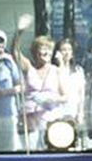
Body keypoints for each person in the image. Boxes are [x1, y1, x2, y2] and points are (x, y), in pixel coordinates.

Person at [12, 21, 66, 151]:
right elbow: (15, 51)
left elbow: (65, 96)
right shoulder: (29, 67)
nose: (45, 54)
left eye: (49, 51)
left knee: (50, 151)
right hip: (30, 118)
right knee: (30, 149)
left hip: (51, 118)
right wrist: (19, 32)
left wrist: (52, 99)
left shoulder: (56, 70)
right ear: (35, 52)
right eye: (42, 50)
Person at [54, 38, 86, 129]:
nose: (67, 52)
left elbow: (81, 93)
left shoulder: (78, 70)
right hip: (58, 112)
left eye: (69, 49)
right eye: (63, 50)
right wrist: (60, 63)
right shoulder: (54, 70)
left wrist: (80, 112)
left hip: (73, 111)